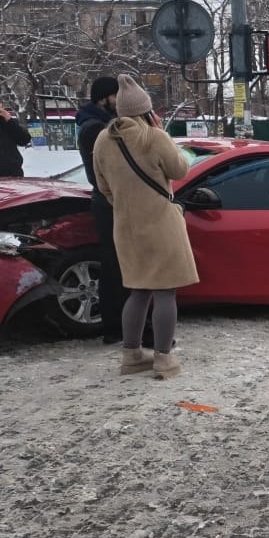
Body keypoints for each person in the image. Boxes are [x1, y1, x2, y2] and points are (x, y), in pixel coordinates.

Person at [92, 75, 198, 379]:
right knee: (165, 293)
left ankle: (132, 355)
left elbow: (104, 187)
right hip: (161, 224)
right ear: (146, 110)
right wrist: (168, 140)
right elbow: (179, 169)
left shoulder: (103, 139)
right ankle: (164, 359)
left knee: (137, 292)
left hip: (126, 226)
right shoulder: (154, 137)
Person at [76, 77, 125, 344]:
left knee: (115, 265)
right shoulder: (95, 129)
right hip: (110, 203)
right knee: (115, 266)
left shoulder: (94, 124)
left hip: (108, 201)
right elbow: (106, 172)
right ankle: (115, 327)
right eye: (116, 96)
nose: (119, 101)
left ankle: (117, 327)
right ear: (104, 98)